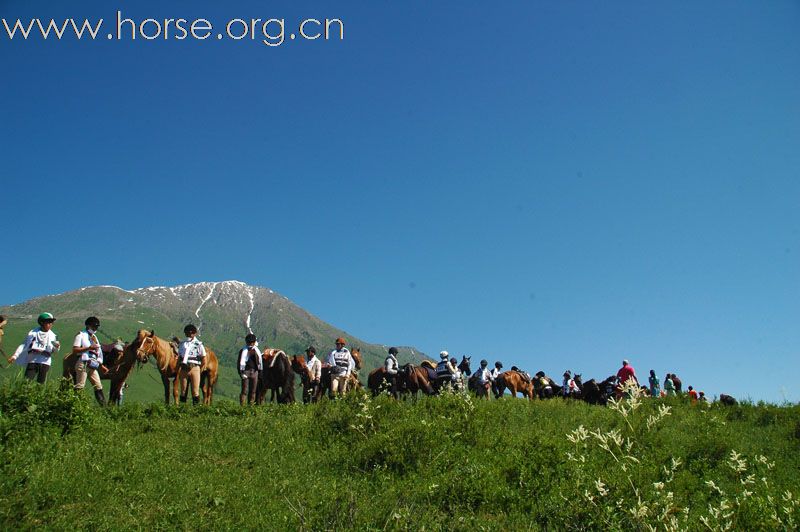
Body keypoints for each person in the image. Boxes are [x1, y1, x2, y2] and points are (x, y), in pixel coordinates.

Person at [8, 313, 60, 383]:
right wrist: (15, 356)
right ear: (41, 322)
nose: (50, 324)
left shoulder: (53, 336)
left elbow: (55, 352)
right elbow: (24, 345)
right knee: (27, 381)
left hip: (45, 361)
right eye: (48, 322)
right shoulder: (32, 333)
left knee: (41, 383)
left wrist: (57, 347)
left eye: (51, 322)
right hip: (33, 360)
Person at [72, 316, 107, 406]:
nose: (95, 328)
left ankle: (104, 407)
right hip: (83, 363)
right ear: (88, 325)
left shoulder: (95, 338)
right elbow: (75, 350)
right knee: (80, 385)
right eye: (93, 326)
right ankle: (75, 406)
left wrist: (101, 364)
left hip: (93, 364)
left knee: (98, 385)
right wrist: (89, 348)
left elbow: (99, 353)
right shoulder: (80, 335)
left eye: (96, 327)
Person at [178, 324, 206, 405]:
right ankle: (182, 409)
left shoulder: (199, 344)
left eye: (191, 333)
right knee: (183, 390)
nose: (189, 334)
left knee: (195, 391)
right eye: (187, 333)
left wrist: (199, 369)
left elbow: (203, 357)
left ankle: (196, 410)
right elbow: (180, 357)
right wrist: (178, 368)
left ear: (194, 333)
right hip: (184, 369)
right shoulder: (182, 344)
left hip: (194, 368)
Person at [238, 333, 262, 405]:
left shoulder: (257, 352)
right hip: (245, 372)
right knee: (244, 390)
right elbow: (239, 363)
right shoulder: (243, 351)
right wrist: (241, 373)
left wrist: (260, 373)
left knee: (253, 391)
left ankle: (250, 406)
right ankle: (243, 406)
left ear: (254, 343)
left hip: (255, 372)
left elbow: (260, 363)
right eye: (249, 342)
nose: (250, 344)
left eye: (252, 342)